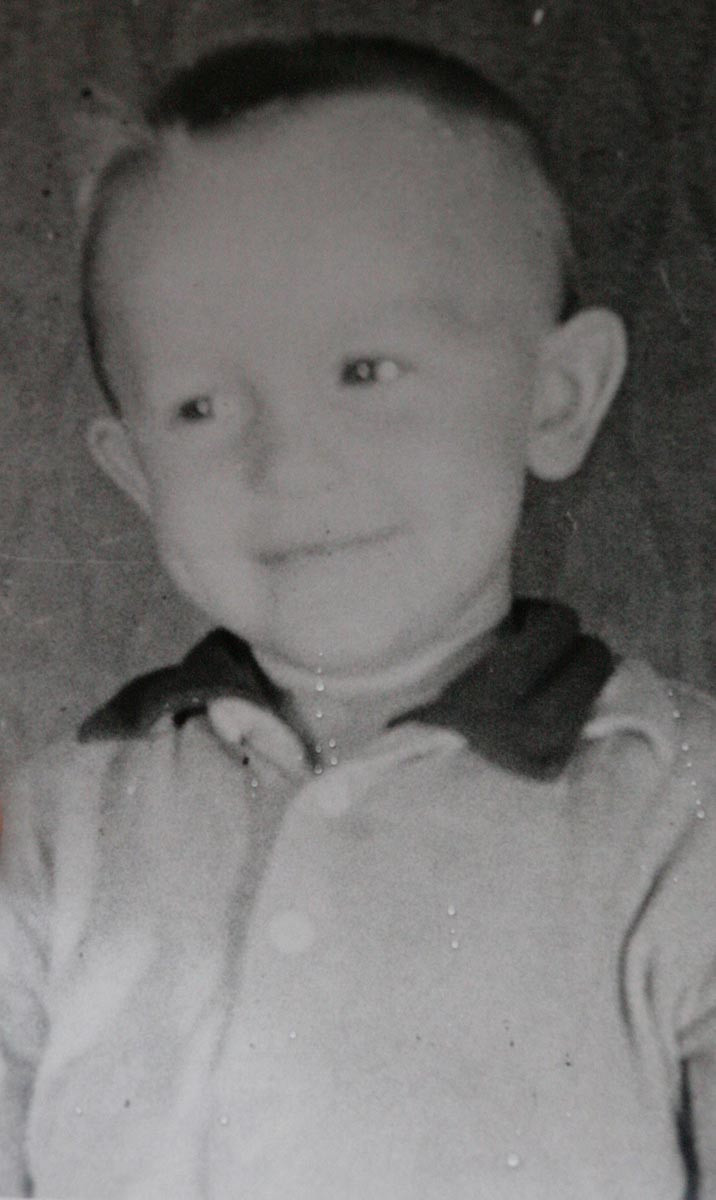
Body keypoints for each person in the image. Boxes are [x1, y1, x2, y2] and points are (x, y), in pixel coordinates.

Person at [1, 34, 714, 1200]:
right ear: (135, 473)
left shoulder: (679, 819)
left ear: (555, 397)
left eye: (364, 371)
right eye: (199, 406)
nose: (288, 463)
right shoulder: (54, 827)